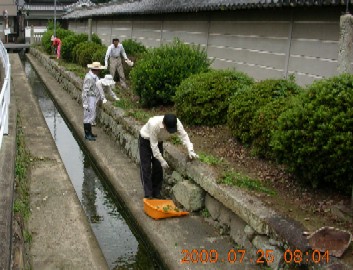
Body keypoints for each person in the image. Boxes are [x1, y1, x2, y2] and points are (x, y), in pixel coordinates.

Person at [139, 114, 199, 199]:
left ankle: (156, 192)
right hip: (145, 140)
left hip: (159, 141)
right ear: (163, 124)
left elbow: (184, 136)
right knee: (146, 166)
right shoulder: (154, 125)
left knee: (158, 167)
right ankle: (148, 194)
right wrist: (162, 160)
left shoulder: (176, 122)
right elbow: (154, 147)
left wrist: (190, 150)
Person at [82, 61, 107, 141]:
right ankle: (87, 134)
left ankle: (90, 132)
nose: (99, 71)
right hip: (89, 98)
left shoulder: (95, 77)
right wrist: (85, 103)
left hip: (93, 97)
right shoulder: (89, 78)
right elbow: (85, 91)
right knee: (88, 116)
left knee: (92, 114)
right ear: (95, 70)